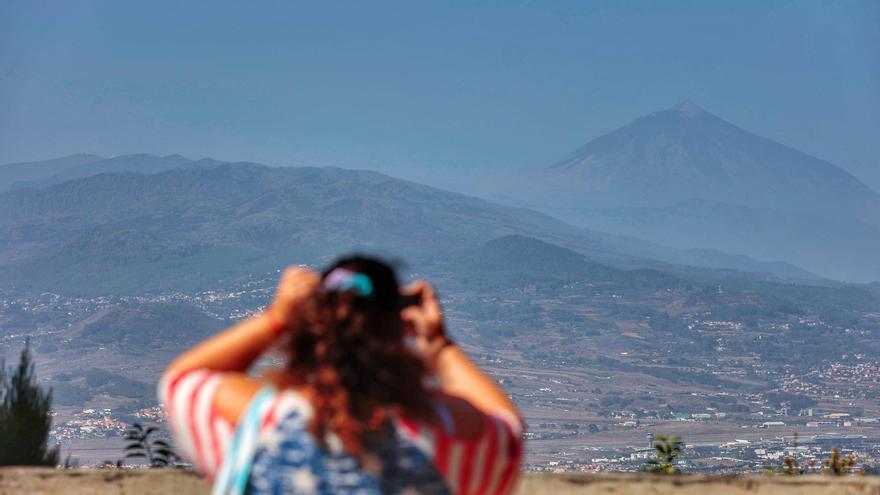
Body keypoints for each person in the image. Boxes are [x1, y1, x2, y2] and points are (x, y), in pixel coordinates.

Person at [159, 256, 523, 495]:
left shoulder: (260, 422)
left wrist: (278, 317)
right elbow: (506, 430)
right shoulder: (443, 437)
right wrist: (439, 345)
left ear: (310, 330)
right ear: (399, 328)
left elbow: (182, 381)